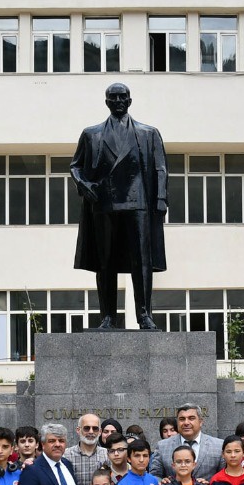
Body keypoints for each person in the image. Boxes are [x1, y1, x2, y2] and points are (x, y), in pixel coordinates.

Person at [70, 82, 169, 329]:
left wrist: (160, 200)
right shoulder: (91, 134)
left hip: (138, 202)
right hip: (105, 202)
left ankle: (144, 315)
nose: (118, 101)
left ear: (130, 100)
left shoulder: (148, 133)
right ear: (106, 102)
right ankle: (108, 316)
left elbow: (160, 168)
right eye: (113, 97)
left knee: (142, 260)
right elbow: (76, 166)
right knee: (106, 261)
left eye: (122, 97)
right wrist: (85, 185)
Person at [150, 404, 222, 480]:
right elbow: (154, 476)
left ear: (200, 422)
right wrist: (163, 482)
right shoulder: (162, 446)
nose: (186, 423)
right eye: (182, 419)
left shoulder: (218, 446)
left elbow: (225, 476)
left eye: (191, 418)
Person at [65, 413, 110, 478]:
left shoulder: (107, 454)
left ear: (100, 432)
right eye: (86, 428)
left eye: (95, 428)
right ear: (78, 430)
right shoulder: (66, 455)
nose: (91, 432)